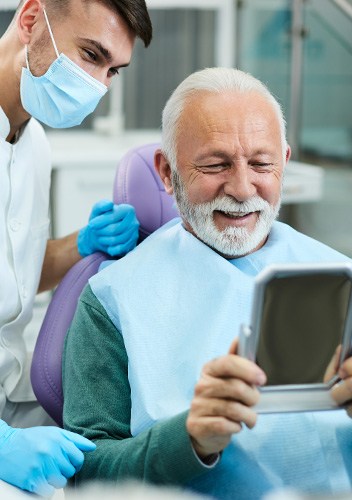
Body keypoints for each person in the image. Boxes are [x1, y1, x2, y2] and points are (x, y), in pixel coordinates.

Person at [62, 68, 352, 500]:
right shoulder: (112, 298)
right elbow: (86, 470)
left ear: (285, 163)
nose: (241, 188)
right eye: (216, 165)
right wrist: (188, 440)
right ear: (166, 171)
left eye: (261, 163)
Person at [0, 0, 152, 496]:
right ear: (30, 21)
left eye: (113, 71)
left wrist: (81, 245)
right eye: (91, 55)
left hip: (13, 398)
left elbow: (15, 279)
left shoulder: (33, 141)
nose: (99, 86)